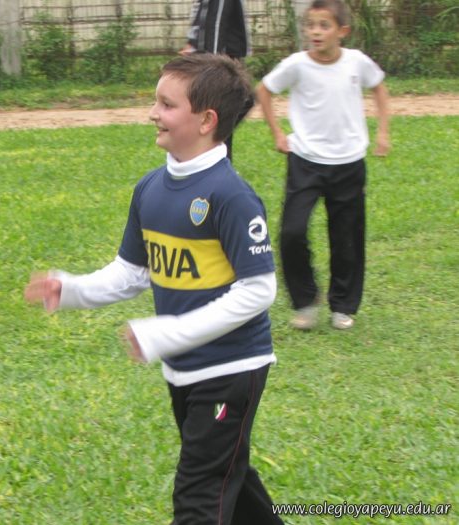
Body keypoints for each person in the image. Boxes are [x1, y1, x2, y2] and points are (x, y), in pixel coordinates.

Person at [25, 53, 284, 525]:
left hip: (231, 369)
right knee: (228, 473)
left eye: (167, 104)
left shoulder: (231, 196)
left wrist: (167, 333)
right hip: (183, 370)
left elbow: (259, 290)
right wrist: (73, 289)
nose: (152, 113)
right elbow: (131, 273)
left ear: (206, 121)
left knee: (199, 493)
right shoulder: (151, 188)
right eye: (155, 102)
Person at [256, 0, 390, 331]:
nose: (315, 32)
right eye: (311, 25)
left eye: (324, 25)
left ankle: (342, 306)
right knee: (292, 232)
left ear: (342, 31)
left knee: (347, 238)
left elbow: (379, 87)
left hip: (349, 163)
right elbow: (264, 90)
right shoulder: (296, 65)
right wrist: (277, 133)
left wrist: (383, 131)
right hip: (305, 162)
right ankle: (305, 301)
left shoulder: (356, 62)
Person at [179, 0, 253, 161]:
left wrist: (193, 41)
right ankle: (207, 153)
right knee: (230, 108)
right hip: (222, 59)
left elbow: (206, 16)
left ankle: (208, 150)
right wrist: (213, 62)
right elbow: (216, 23)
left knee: (229, 109)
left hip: (216, 56)